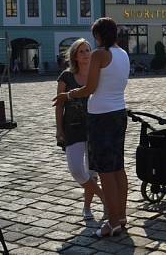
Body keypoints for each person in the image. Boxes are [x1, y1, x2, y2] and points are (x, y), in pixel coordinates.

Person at [53, 18, 130, 238]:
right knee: (118, 168)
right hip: (118, 113)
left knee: (105, 171)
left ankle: (112, 222)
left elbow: (90, 88)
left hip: (101, 116)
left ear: (98, 35)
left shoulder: (100, 54)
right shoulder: (122, 54)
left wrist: (67, 95)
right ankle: (122, 216)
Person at [55, 38, 105, 221]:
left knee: (92, 172)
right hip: (73, 128)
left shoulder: (97, 74)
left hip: (94, 128)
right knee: (76, 170)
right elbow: (59, 105)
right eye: (82, 51)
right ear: (75, 55)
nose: (86, 54)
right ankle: (104, 198)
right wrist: (59, 130)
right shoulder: (66, 77)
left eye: (88, 50)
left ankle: (87, 207)